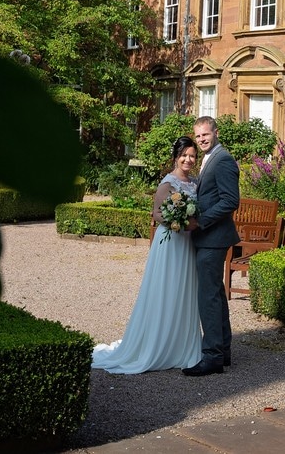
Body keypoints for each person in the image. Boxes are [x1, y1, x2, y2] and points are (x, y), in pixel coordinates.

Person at [91, 136, 203, 373]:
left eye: (192, 155)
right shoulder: (168, 183)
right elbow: (158, 214)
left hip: (187, 246)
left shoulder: (194, 183)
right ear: (176, 157)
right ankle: (158, 345)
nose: (188, 159)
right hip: (171, 244)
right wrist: (180, 222)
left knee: (183, 292)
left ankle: (181, 346)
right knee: (166, 290)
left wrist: (191, 222)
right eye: (184, 155)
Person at [182, 116, 240, 376]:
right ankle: (223, 351)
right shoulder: (209, 159)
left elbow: (230, 201)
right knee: (215, 294)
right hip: (209, 239)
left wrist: (201, 221)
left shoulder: (223, 160)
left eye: (206, 134)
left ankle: (212, 357)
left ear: (216, 132)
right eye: (198, 136)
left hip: (213, 239)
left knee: (208, 297)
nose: (202, 139)